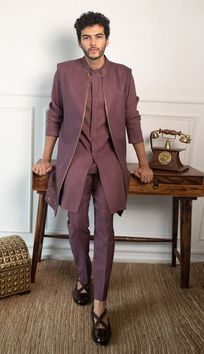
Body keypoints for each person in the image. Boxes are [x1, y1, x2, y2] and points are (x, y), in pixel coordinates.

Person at [32, 11, 153, 346]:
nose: (93, 43)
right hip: (75, 160)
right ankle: (83, 278)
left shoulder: (124, 75)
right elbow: (55, 115)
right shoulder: (65, 72)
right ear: (79, 40)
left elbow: (132, 119)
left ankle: (100, 304)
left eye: (98, 36)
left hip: (110, 162)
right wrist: (45, 158)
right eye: (87, 37)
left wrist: (143, 163)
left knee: (105, 230)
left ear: (107, 39)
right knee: (75, 224)